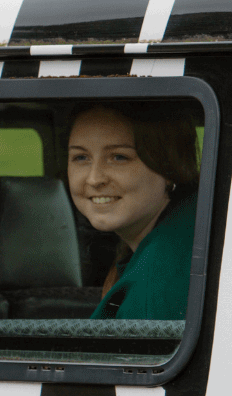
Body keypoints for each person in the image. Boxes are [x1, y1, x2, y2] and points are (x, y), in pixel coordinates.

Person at [66, 103, 199, 321]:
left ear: (170, 165)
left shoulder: (158, 279)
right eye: (81, 158)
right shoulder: (189, 229)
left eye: (119, 157)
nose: (94, 179)